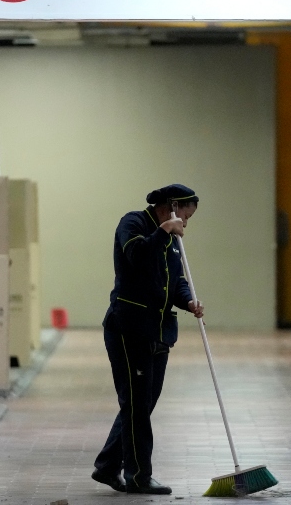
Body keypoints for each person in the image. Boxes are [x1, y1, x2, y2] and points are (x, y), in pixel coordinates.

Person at [91, 184, 205, 495]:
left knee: (143, 403)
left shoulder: (172, 240)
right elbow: (136, 256)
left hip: (159, 330)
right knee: (136, 404)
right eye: (185, 214)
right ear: (171, 206)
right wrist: (164, 231)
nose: (186, 222)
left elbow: (177, 281)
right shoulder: (133, 223)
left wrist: (189, 301)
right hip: (129, 328)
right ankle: (139, 476)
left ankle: (106, 467)